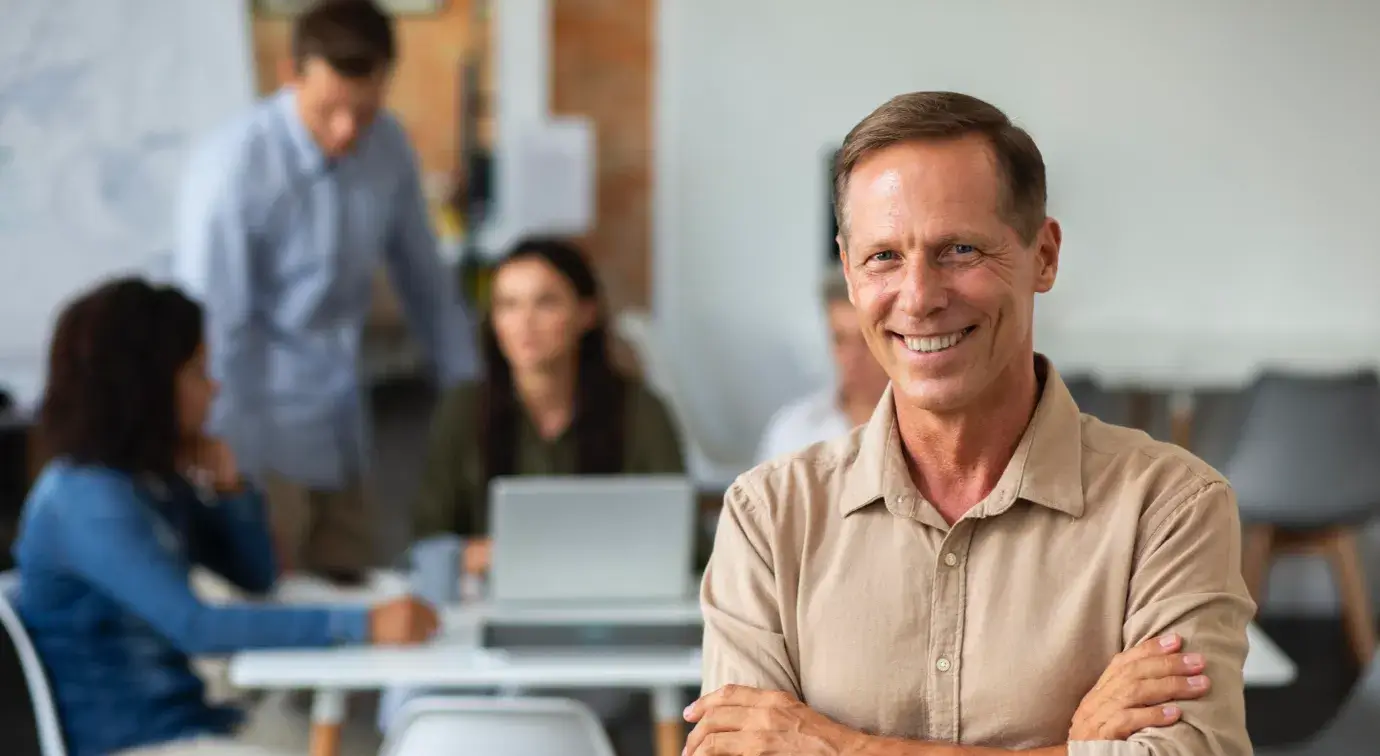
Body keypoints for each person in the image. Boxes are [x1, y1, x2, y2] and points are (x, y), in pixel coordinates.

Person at [686, 92, 1254, 755]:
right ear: (848, 271)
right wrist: (1075, 750)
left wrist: (838, 745)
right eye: (884, 258)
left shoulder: (1170, 508)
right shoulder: (769, 517)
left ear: (1044, 255)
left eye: (959, 249)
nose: (920, 297)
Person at [12, 278, 438, 756]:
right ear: (147, 384)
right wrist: (362, 625)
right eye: (197, 370)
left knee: (388, 741)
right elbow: (197, 627)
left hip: (198, 724)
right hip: (138, 744)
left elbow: (256, 578)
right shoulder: (86, 499)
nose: (214, 388)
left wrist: (232, 490)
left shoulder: (145, 482)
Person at [172, 0, 478, 581]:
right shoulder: (233, 165)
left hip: (344, 428)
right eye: (328, 110)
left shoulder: (387, 145)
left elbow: (428, 287)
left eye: (363, 111)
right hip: (255, 436)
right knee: (277, 615)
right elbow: (215, 324)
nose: (346, 131)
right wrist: (216, 454)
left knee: (361, 606)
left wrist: (472, 399)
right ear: (293, 73)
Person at [411, 237, 685, 566]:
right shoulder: (463, 409)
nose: (525, 322)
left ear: (586, 313)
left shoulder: (641, 410)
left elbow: (683, 536)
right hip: (486, 599)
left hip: (612, 599)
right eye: (508, 305)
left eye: (545, 303)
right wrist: (491, 554)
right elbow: (427, 541)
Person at [756, 269, 890, 462]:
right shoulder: (793, 430)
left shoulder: (930, 432)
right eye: (840, 339)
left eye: (866, 341)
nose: (852, 357)